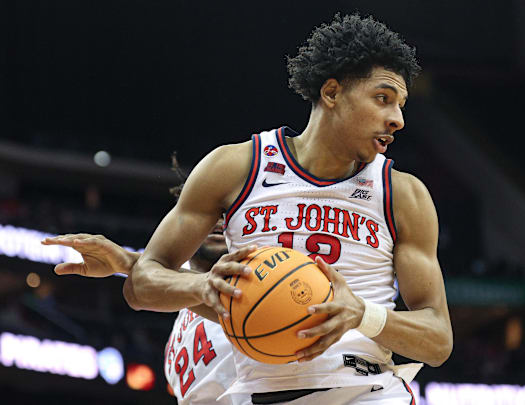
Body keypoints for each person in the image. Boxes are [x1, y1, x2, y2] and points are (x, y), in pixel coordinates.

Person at [69, 13, 452, 404]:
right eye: (383, 98)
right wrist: (203, 286)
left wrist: (362, 314)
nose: (398, 119)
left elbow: (438, 340)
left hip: (367, 391)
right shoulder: (236, 166)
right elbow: (143, 284)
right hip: (259, 392)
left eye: (401, 105)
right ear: (332, 92)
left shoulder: (403, 194)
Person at [43, 224, 245, 404]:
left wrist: (130, 263)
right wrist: (133, 265)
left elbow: (240, 307)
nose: (220, 221)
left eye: (228, 212)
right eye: (211, 213)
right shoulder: (181, 316)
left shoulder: (257, 291)